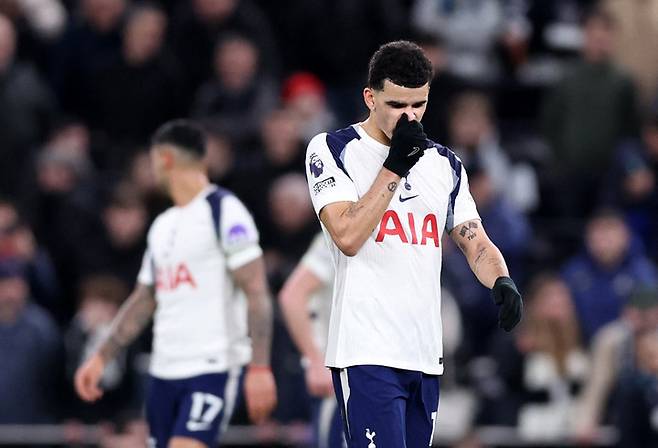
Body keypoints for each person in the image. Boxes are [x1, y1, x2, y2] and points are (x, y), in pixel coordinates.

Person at [304, 40, 523, 447]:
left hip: (424, 353)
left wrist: (501, 280)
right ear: (370, 98)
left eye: (418, 105)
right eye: (396, 105)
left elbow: (474, 240)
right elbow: (347, 236)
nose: (409, 116)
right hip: (366, 350)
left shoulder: (445, 165)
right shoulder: (333, 149)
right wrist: (395, 166)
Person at [74, 120, 277, 448]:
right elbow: (144, 299)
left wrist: (260, 367)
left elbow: (256, 291)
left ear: (165, 159)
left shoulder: (224, 210)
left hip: (212, 366)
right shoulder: (163, 225)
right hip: (163, 370)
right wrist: (102, 356)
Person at [279, 232, 344, 448]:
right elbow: (292, 295)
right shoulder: (339, 231)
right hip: (340, 375)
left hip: (391, 372)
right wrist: (316, 361)